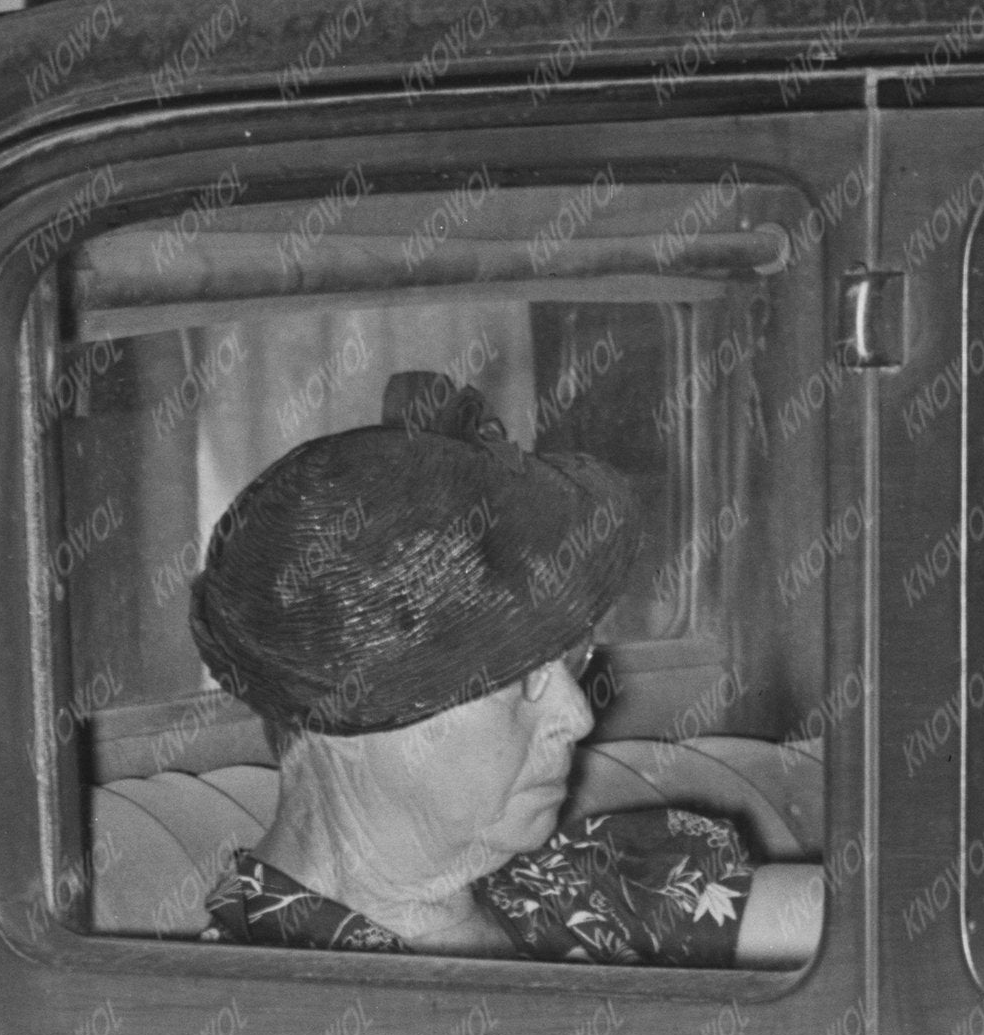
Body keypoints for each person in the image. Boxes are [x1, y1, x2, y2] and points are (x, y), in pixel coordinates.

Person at [189, 371, 808, 969]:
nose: (577, 715)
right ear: (345, 711)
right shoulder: (259, 1009)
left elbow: (871, 947)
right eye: (519, 678)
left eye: (568, 658)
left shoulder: (589, 886)